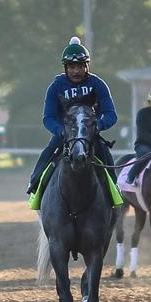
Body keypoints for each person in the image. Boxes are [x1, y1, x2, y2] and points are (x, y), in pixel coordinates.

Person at [25, 37, 117, 195]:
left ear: (86, 66)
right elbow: (48, 118)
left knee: (106, 157)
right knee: (49, 152)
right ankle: (35, 184)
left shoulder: (98, 84)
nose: (76, 71)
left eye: (80, 66)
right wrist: (61, 131)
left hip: (90, 134)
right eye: (72, 67)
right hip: (65, 134)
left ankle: (115, 192)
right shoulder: (56, 87)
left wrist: (97, 127)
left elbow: (111, 115)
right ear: (65, 67)